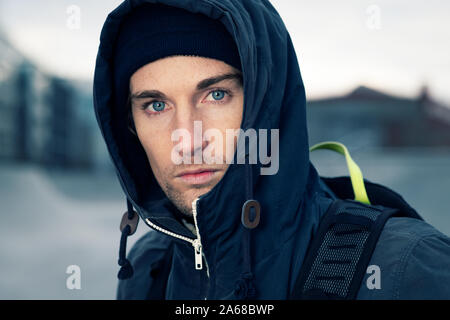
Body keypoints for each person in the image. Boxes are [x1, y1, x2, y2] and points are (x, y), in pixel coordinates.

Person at [93, 0, 450, 299]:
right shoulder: (146, 272)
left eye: (217, 95)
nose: (187, 140)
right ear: (130, 127)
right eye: (156, 105)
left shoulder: (407, 268)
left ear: (267, 107)